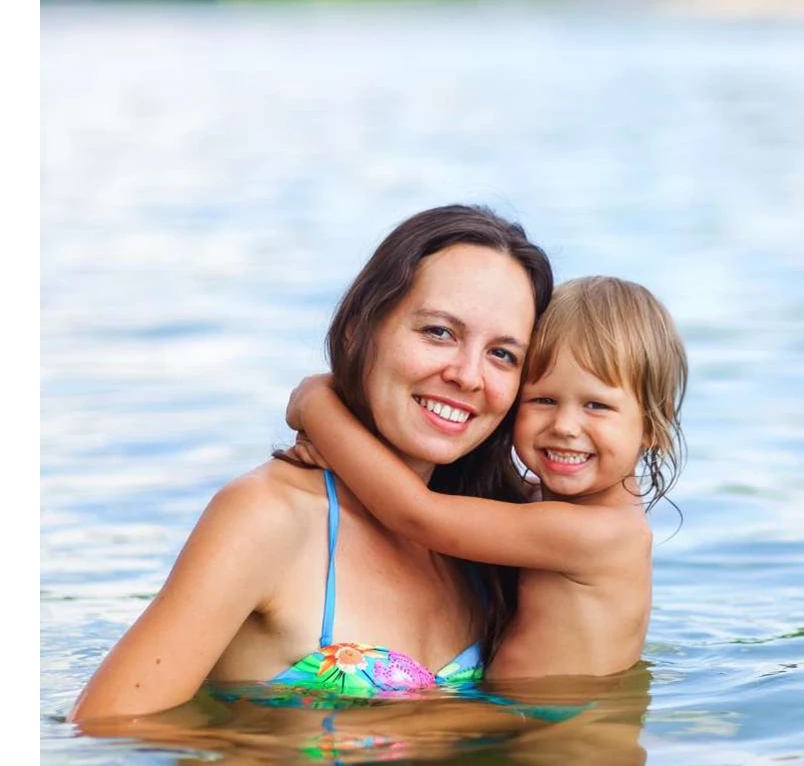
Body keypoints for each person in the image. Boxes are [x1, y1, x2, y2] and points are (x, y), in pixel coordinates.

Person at [68, 204, 555, 723]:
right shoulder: (268, 516)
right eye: (439, 332)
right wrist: (252, 752)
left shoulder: (490, 539)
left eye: (503, 354)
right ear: (358, 331)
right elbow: (108, 726)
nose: (468, 375)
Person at [283, 275, 688, 681]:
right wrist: (349, 458)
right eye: (543, 400)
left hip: (558, 736)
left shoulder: (596, 533)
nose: (565, 426)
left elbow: (419, 515)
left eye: (597, 406)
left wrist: (317, 406)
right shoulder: (558, 507)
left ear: (652, 425)